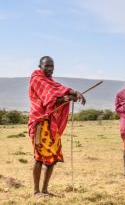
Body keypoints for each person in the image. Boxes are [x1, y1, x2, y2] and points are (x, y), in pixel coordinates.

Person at [28, 56, 86, 197]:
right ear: (40, 66)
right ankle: (36, 191)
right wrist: (67, 98)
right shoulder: (37, 79)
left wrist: (74, 92)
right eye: (46, 66)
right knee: (39, 157)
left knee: (52, 158)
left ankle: (45, 190)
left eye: (51, 66)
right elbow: (50, 98)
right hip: (40, 123)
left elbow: (59, 89)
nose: (49, 69)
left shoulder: (51, 82)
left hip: (51, 125)